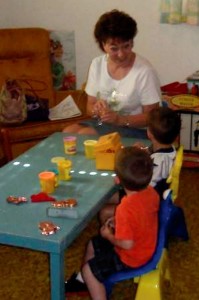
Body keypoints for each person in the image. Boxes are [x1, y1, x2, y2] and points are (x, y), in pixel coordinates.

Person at [65, 147, 160, 299]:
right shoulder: (151, 192)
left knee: (89, 270)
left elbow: (127, 244)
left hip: (132, 257)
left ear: (117, 179)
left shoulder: (125, 208)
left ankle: (91, 281)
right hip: (147, 245)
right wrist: (120, 223)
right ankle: (83, 282)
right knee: (92, 244)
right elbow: (142, 216)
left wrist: (108, 235)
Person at [63, 9, 161, 138]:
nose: (121, 54)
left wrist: (119, 120)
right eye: (114, 48)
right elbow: (89, 106)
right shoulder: (97, 64)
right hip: (104, 123)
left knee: (86, 135)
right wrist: (96, 109)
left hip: (135, 129)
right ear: (103, 45)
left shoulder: (145, 71)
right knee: (67, 133)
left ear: (132, 42)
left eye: (126, 46)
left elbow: (152, 117)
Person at [99, 106, 181, 224]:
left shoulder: (158, 163)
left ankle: (116, 238)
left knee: (105, 210)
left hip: (146, 202)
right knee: (108, 197)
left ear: (149, 133)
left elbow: (141, 185)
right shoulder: (169, 150)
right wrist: (145, 152)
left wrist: (128, 170)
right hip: (153, 196)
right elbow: (155, 158)